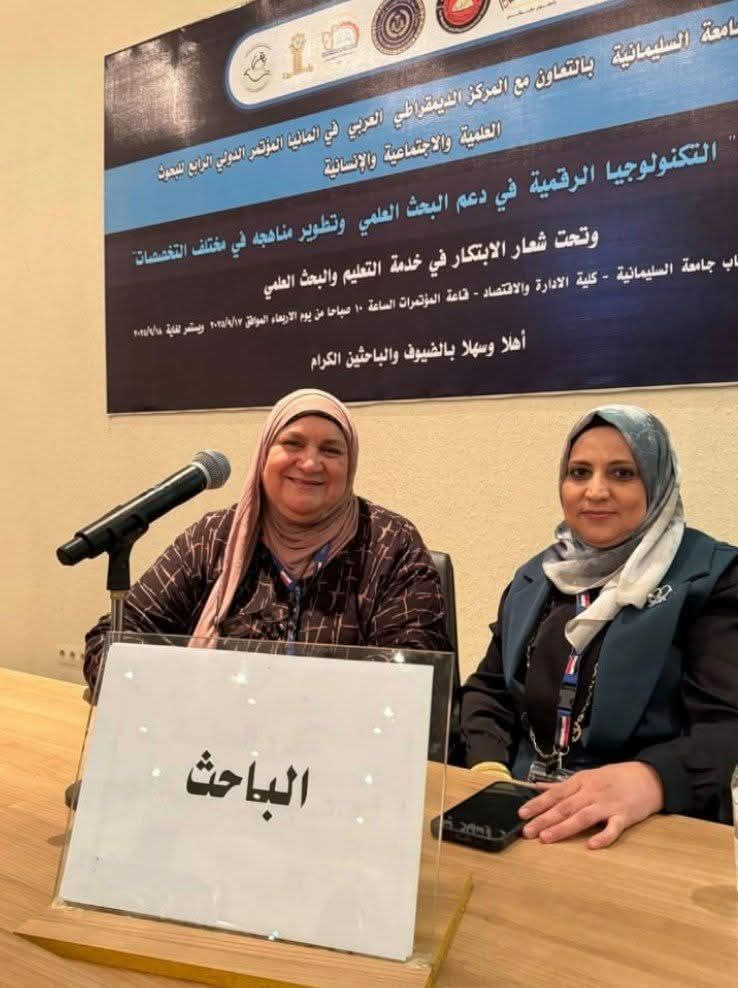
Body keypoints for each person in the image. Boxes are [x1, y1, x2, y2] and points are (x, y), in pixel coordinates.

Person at [461, 404, 738, 849]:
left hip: (646, 826)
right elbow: (488, 691)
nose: (595, 491)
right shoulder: (540, 575)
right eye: (579, 472)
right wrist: (489, 769)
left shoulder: (710, 577)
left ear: (658, 481)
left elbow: (725, 726)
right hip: (523, 812)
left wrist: (653, 779)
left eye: (622, 473)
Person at [84, 388, 450, 689]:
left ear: (350, 463)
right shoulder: (214, 538)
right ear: (263, 456)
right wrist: (186, 696)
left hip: (339, 747)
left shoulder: (389, 544)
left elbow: (414, 672)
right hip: (213, 742)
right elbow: (111, 640)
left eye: (330, 450)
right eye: (293, 443)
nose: (310, 463)